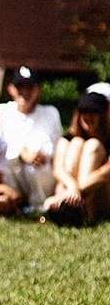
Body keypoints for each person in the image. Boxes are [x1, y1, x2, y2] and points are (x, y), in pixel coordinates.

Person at [0, 66, 62, 211]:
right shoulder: (1, 112)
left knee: (37, 166)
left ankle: (38, 206)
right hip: (12, 172)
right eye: (20, 87)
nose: (25, 92)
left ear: (38, 89)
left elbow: (53, 148)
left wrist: (33, 155)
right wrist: (21, 154)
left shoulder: (50, 113)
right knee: (8, 164)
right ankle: (14, 203)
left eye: (30, 87)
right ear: (11, 89)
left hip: (39, 173)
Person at [41, 91, 110, 226]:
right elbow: (58, 169)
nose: (88, 116)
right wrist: (72, 188)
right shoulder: (68, 139)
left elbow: (105, 174)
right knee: (77, 143)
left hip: (100, 195)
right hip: (71, 190)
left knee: (92, 145)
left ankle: (79, 209)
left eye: (93, 112)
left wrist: (69, 194)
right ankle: (73, 208)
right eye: (84, 111)